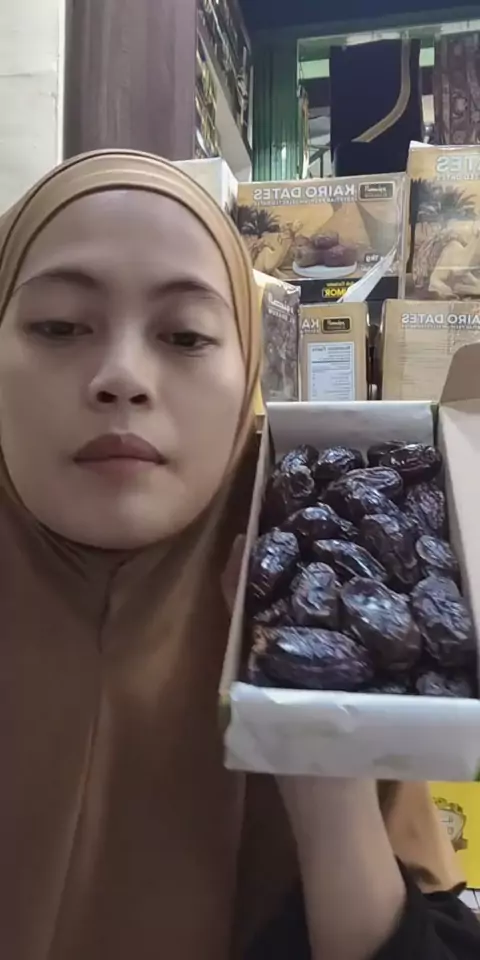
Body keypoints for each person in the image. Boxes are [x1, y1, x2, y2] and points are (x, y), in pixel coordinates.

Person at [0, 150, 478, 960]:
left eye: (186, 335)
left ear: (249, 371)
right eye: (59, 326)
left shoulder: (341, 622)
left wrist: (318, 761)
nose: (121, 377)